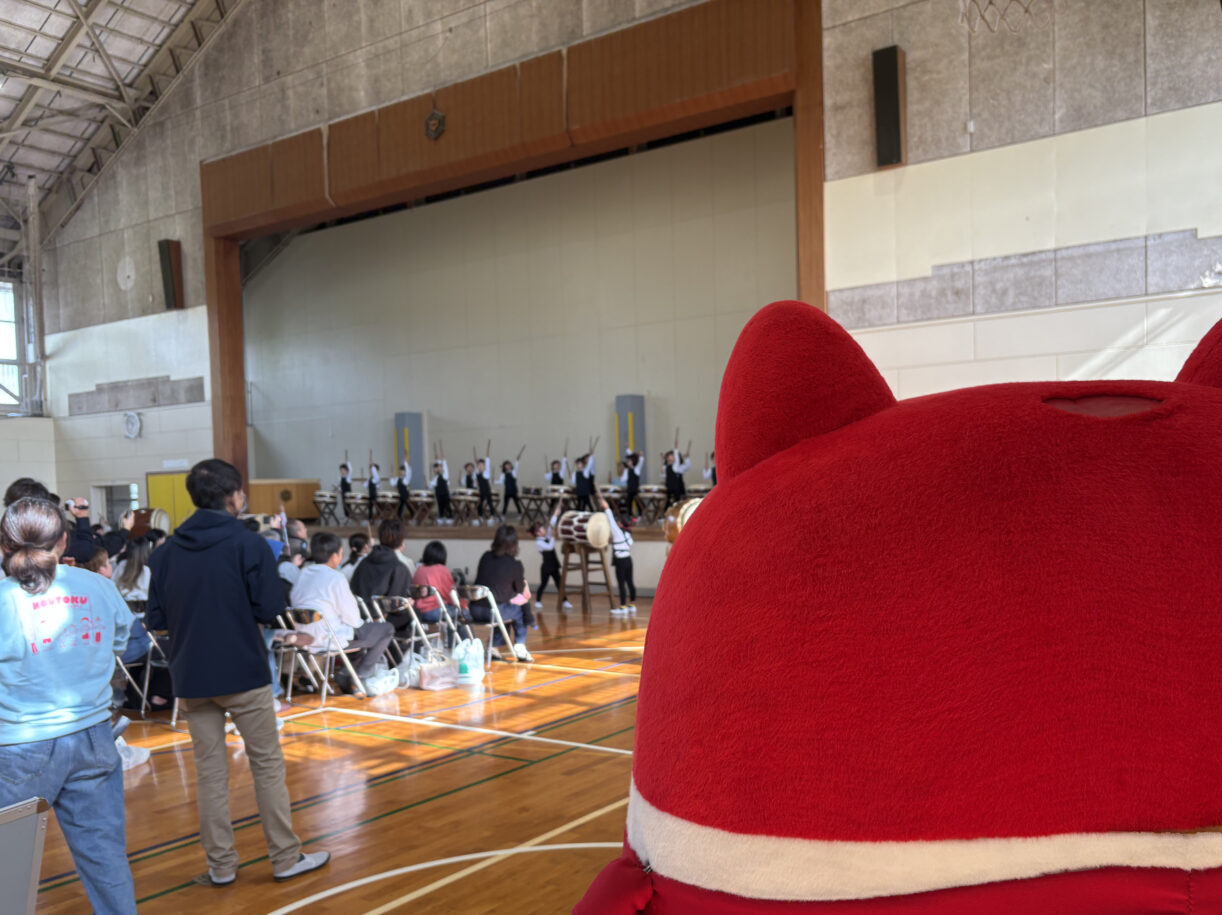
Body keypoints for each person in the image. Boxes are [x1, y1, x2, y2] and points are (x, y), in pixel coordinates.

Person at [145, 458, 330, 887]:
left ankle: (221, 866)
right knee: (266, 765)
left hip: (192, 675)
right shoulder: (250, 545)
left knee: (210, 773)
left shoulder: (165, 553)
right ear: (233, 497)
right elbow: (269, 608)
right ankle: (285, 857)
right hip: (243, 670)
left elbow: (157, 619)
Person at [0, 497, 138, 914]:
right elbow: (121, 642)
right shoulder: (97, 585)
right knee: (105, 858)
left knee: (9, 868)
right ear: (63, 541)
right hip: (93, 737)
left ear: (4, 545)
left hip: (21, 745)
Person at [292, 532, 395, 680]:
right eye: (340, 553)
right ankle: (361, 675)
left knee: (359, 635)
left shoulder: (302, 574)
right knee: (386, 629)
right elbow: (353, 619)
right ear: (335, 556)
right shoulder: (336, 577)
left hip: (304, 636)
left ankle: (346, 674)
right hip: (329, 638)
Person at [471, 525, 533, 662]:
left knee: (503, 608)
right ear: (514, 544)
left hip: (474, 609)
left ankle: (494, 647)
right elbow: (519, 592)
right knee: (518, 609)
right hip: (492, 612)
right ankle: (520, 645)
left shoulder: (485, 557)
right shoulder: (515, 565)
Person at [349, 519, 413, 630]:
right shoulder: (399, 568)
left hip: (360, 615)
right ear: (401, 541)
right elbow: (396, 605)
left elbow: (353, 589)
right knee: (413, 611)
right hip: (381, 619)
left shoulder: (364, 562)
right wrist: (408, 603)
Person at [411, 540, 465, 644]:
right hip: (434, 612)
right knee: (462, 613)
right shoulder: (442, 570)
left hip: (418, 612)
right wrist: (463, 605)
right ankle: (460, 646)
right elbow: (451, 595)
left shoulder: (419, 569)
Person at [599, 495, 636, 615]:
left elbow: (611, 521)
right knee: (629, 582)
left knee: (621, 583)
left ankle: (623, 606)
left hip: (621, 561)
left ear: (620, 524)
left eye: (618, 521)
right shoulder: (628, 534)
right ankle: (632, 604)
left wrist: (607, 508)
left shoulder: (618, 533)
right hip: (628, 559)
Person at [532, 504, 571, 610]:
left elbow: (551, 527)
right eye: (541, 530)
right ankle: (538, 601)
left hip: (554, 565)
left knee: (559, 584)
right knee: (543, 584)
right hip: (546, 567)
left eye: (543, 529)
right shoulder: (539, 542)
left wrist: (555, 514)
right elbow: (550, 547)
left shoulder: (547, 537)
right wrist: (553, 537)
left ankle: (565, 601)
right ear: (537, 533)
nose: (544, 531)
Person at [496, 448, 525, 518]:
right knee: (505, 504)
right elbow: (500, 482)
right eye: (506, 465)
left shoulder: (514, 472)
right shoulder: (503, 474)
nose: (508, 466)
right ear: (504, 466)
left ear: (511, 465)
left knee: (517, 503)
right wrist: (494, 481)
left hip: (514, 491)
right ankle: (503, 515)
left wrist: (517, 459)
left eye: (509, 465)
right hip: (507, 491)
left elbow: (516, 465)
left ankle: (520, 515)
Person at [619, 450, 644, 518]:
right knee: (629, 502)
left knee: (638, 502)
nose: (628, 462)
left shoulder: (636, 469)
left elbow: (640, 463)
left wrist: (641, 457)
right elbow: (623, 478)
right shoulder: (627, 470)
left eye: (629, 461)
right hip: (630, 490)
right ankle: (630, 516)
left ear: (633, 461)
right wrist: (620, 477)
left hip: (635, 490)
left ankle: (640, 515)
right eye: (627, 461)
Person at [430, 453, 453, 524]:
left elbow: (445, 468)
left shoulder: (445, 475)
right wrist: (429, 484)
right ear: (434, 470)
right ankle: (441, 516)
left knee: (447, 505)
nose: (437, 469)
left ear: (441, 468)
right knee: (440, 506)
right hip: (438, 494)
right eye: (435, 468)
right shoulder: (435, 478)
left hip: (445, 494)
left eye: (439, 467)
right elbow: (431, 486)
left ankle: (450, 517)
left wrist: (443, 460)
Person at [475, 452, 497, 520]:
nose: (480, 466)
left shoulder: (486, 473)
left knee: (490, 503)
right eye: (479, 465)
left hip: (487, 490)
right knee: (480, 504)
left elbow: (487, 465)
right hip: (481, 491)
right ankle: (480, 516)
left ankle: (492, 516)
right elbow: (476, 481)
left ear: (484, 466)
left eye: (482, 465)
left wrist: (487, 458)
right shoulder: (477, 473)